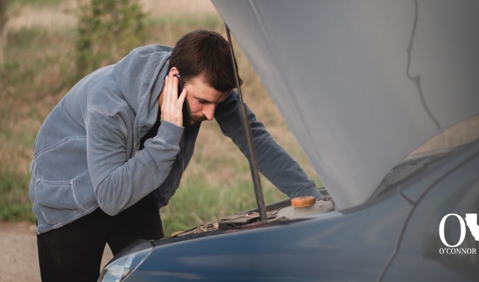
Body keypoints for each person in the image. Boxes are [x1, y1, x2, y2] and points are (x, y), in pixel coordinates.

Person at [28, 29, 322, 281]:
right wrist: (169, 134)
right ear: (174, 77)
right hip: (69, 197)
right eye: (203, 101)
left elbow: (255, 140)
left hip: (131, 184)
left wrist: (309, 196)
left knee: (157, 275)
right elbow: (110, 197)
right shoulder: (109, 105)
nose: (210, 114)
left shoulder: (203, 85)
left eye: (216, 104)